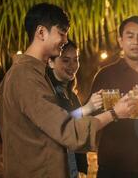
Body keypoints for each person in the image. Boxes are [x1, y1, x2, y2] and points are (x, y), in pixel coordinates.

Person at [0, 3, 134, 178]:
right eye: (61, 33)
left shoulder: (33, 74)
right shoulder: (25, 77)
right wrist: (114, 113)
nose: (65, 40)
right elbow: (67, 130)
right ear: (41, 32)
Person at [90, 16, 138, 178]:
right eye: (130, 36)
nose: (135, 42)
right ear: (121, 41)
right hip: (112, 166)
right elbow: (91, 117)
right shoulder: (106, 75)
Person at [46, 40, 103, 177]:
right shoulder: (48, 92)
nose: (73, 66)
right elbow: (60, 125)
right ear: (51, 62)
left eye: (76, 60)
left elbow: (79, 127)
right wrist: (87, 108)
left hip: (74, 168)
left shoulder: (71, 94)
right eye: (66, 60)